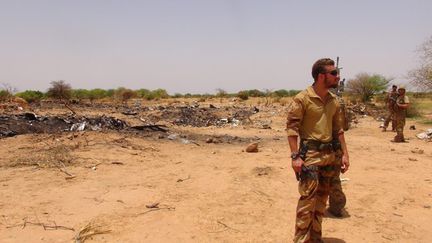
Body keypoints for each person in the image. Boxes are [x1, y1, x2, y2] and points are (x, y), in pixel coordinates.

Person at [286, 58, 350, 243]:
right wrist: (295, 157)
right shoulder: (302, 98)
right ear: (321, 76)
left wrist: (345, 154)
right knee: (307, 203)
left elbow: (338, 130)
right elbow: (292, 129)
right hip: (310, 157)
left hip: (329, 156)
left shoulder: (334, 101)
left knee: (321, 201)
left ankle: (315, 238)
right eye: (334, 73)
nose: (338, 77)